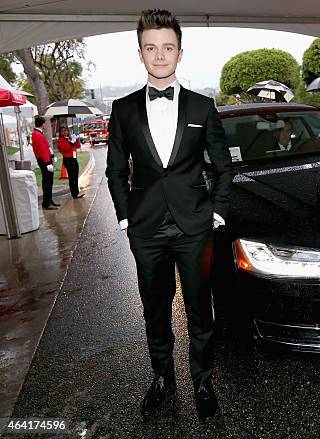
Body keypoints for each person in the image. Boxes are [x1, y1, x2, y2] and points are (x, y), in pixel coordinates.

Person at [105, 9, 232, 420]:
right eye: (151, 48)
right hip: (145, 229)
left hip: (194, 226)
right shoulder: (122, 109)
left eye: (168, 47)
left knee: (200, 308)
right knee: (154, 310)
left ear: (180, 53)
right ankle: (162, 377)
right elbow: (114, 169)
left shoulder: (202, 105)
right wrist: (126, 219)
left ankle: (203, 380)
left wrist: (217, 214)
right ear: (140, 54)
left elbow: (223, 166)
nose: (160, 56)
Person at [31, 116, 59, 210]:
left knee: (49, 181)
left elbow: (45, 148)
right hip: (44, 160)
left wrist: (51, 156)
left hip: (45, 159)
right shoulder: (37, 134)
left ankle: (49, 200)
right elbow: (42, 150)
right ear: (43, 124)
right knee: (47, 182)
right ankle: (47, 202)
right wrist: (48, 162)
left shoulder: (38, 134)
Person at [57, 126, 84, 199]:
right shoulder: (60, 140)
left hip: (74, 158)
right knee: (72, 178)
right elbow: (66, 149)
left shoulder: (69, 139)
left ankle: (77, 192)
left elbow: (78, 146)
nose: (64, 132)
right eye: (62, 131)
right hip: (68, 160)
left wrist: (76, 140)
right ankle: (74, 194)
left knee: (75, 176)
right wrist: (72, 142)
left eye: (66, 130)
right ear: (60, 133)